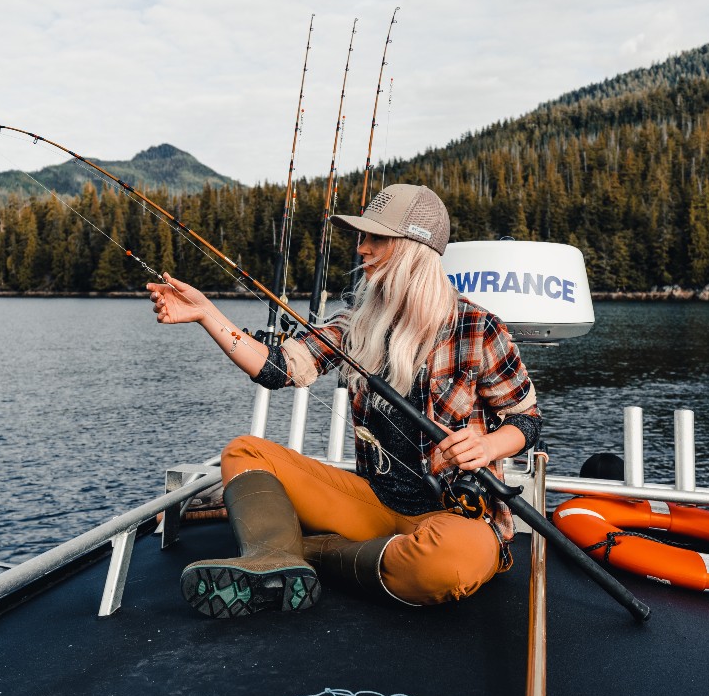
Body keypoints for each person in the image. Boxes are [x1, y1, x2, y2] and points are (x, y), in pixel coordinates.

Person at [146, 183, 541, 617]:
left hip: (455, 516)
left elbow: (526, 421)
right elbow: (277, 368)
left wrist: (486, 445)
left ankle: (306, 555)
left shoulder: (478, 327)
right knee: (244, 452)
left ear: (412, 247)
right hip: (373, 503)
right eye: (360, 236)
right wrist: (207, 313)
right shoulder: (356, 322)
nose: (361, 249)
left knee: (448, 563)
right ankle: (274, 560)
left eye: (375, 238)